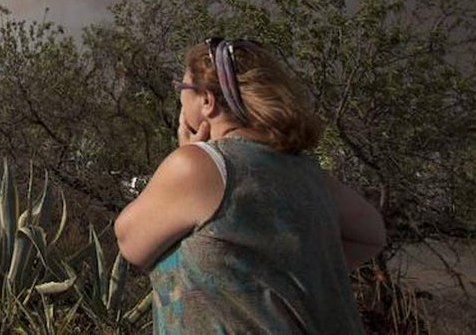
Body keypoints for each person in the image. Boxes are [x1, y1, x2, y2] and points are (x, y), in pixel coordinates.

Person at [115, 38, 385, 333]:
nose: (179, 98)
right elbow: (371, 234)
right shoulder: (307, 172)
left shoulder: (197, 165)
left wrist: (188, 157)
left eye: (183, 90)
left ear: (207, 101)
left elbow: (130, 241)